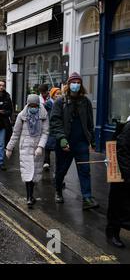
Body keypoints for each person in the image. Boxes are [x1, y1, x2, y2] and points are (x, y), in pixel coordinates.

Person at [50, 72, 98, 210]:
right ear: (68, 84)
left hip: (81, 143)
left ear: (81, 85)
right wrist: (62, 139)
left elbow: (90, 123)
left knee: (84, 170)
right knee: (61, 170)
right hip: (65, 143)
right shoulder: (60, 101)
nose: (76, 85)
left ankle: (87, 198)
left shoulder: (85, 102)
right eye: (73, 82)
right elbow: (55, 121)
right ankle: (58, 190)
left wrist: (92, 140)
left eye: (78, 82)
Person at [6, 95, 49, 208]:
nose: (33, 108)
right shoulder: (22, 115)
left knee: (35, 173)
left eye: (35, 106)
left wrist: (40, 146)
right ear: (28, 105)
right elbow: (15, 133)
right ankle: (29, 197)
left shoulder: (44, 115)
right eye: (31, 105)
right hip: (25, 146)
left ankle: (31, 194)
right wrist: (9, 148)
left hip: (37, 149)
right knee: (27, 172)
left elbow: (45, 132)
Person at [107, 117, 130, 248]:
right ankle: (112, 234)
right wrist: (127, 175)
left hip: (125, 171)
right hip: (121, 171)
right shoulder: (128, 128)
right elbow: (122, 151)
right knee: (117, 204)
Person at [43, 88, 62, 171]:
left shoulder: (61, 103)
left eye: (60, 93)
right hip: (49, 127)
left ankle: (58, 164)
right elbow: (43, 113)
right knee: (47, 146)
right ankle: (46, 162)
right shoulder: (48, 103)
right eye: (57, 94)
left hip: (58, 127)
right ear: (53, 95)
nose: (58, 95)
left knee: (58, 147)